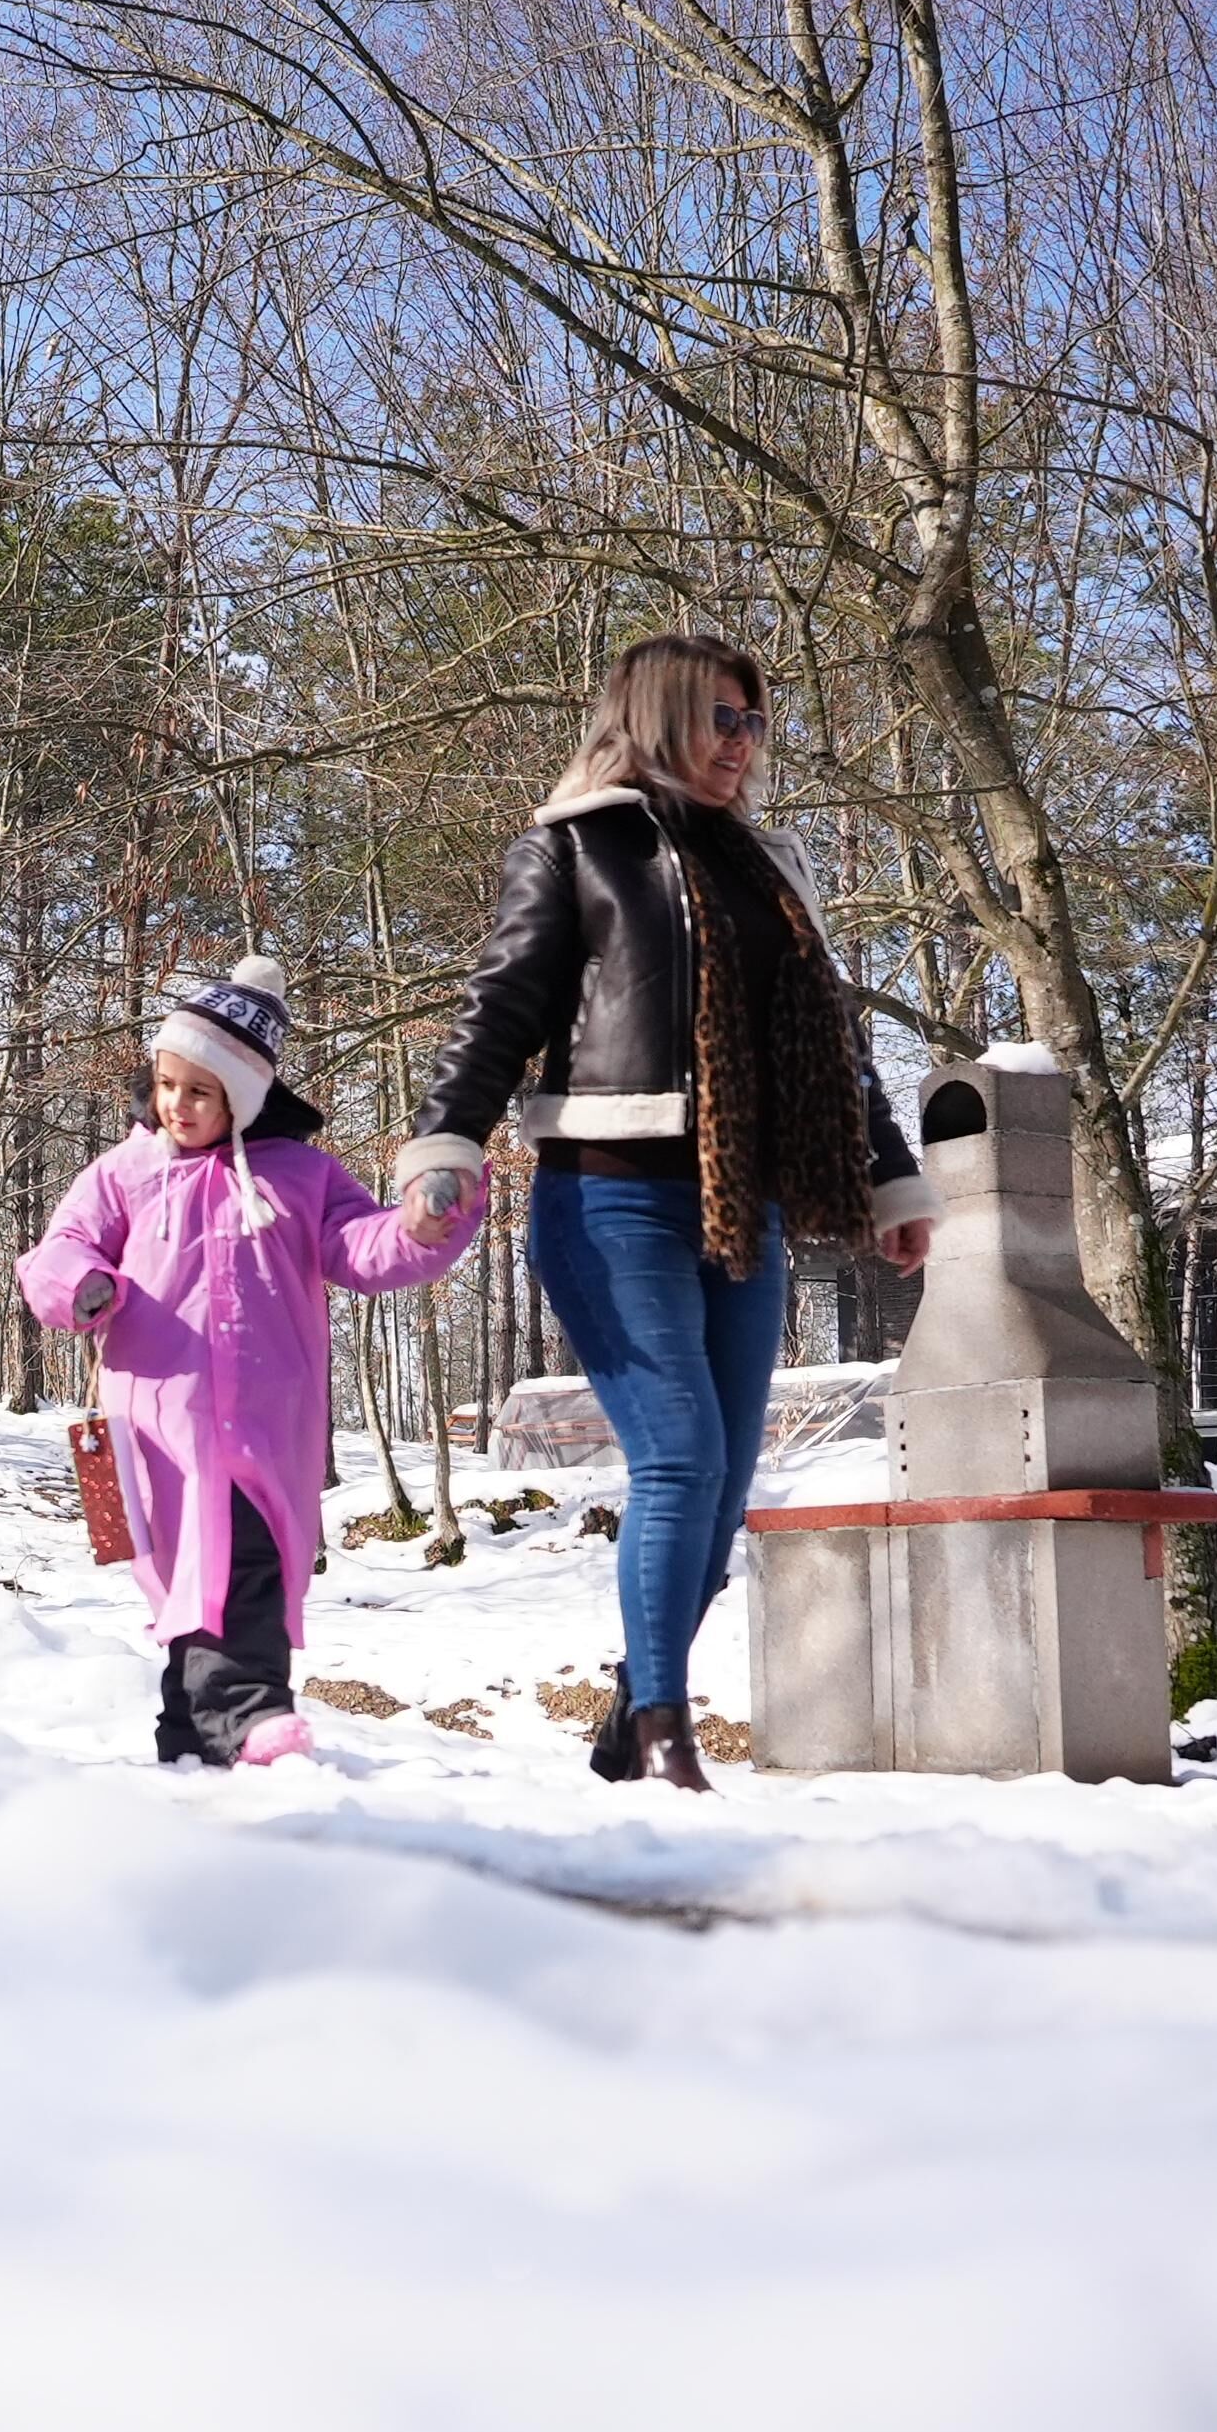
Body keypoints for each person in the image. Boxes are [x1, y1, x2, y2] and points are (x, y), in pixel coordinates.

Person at [394, 634, 938, 1792]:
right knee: (680, 1460)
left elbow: (835, 1050)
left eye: (753, 723)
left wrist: (889, 1176)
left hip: (742, 1206)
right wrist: (444, 1143)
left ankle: (625, 1720)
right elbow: (497, 1014)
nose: (743, 745)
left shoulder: (769, 866)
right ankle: (661, 1733)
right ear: (655, 717)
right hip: (607, 1195)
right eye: (720, 720)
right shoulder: (573, 848)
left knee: (723, 1491)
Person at [19, 955, 482, 1768]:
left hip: (271, 1422)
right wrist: (83, 1285)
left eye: (200, 1091)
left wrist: (418, 1226)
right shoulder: (131, 1172)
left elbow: (361, 1248)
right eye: (166, 1084)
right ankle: (227, 1719)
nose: (177, 1105)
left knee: (248, 1560)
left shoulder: (301, 1176)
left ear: (244, 1094)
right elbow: (60, 1246)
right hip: (165, 1423)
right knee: (199, 1568)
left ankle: (220, 1722)